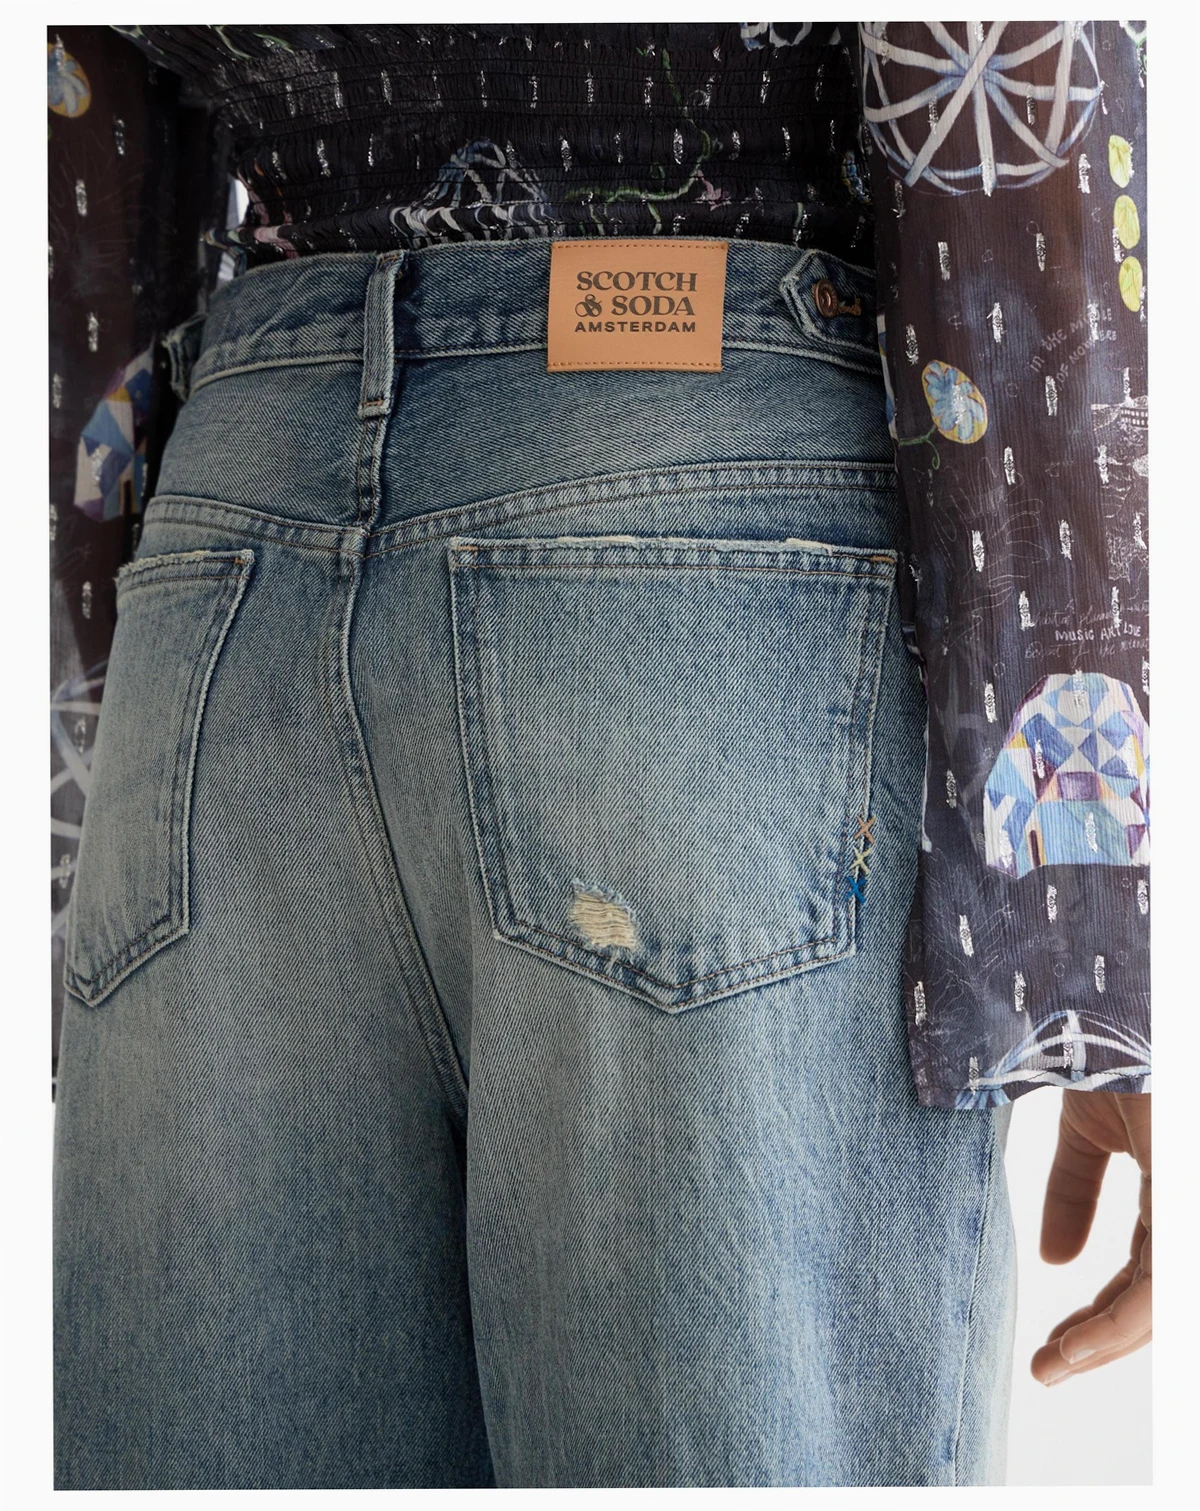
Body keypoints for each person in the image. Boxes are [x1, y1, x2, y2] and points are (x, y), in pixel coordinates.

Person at [48, 21, 1150, 1488]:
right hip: (698, 540)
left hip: (221, 556)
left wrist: (85, 764)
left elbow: (81, 145)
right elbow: (992, 62)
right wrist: (1097, 934)